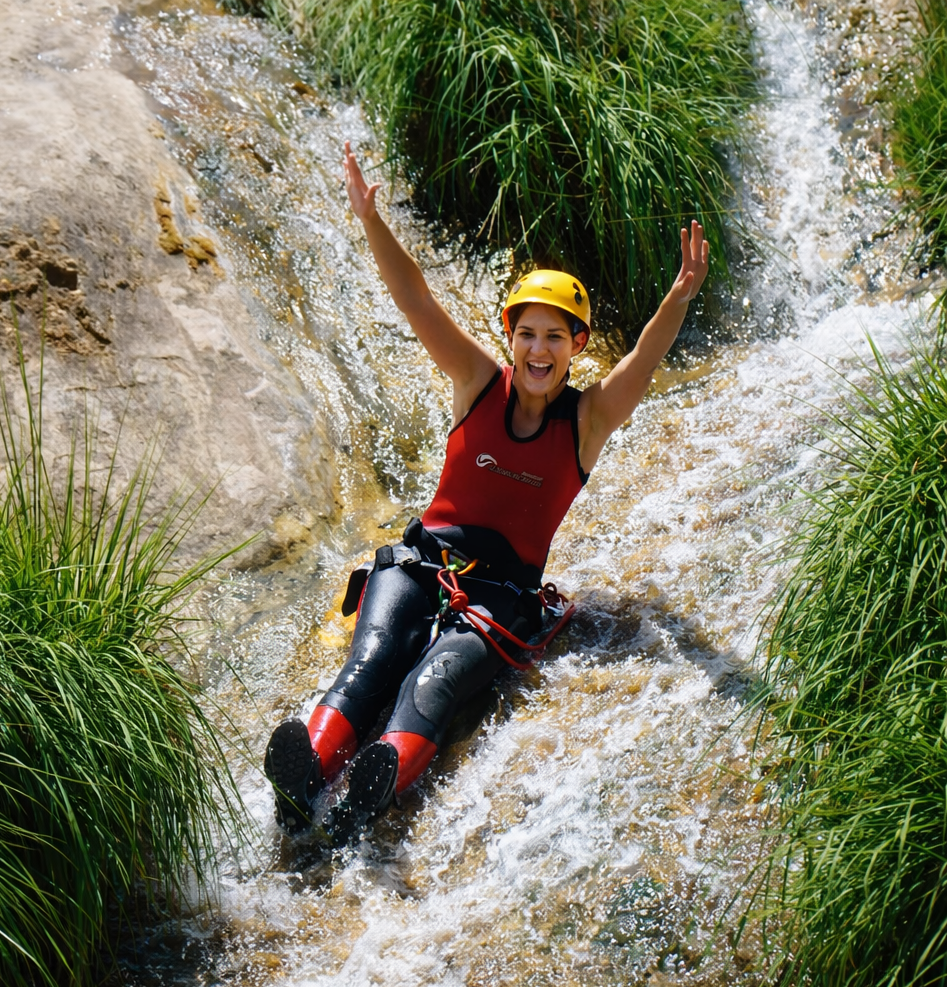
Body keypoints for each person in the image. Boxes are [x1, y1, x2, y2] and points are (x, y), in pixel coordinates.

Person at [265, 141, 709, 844]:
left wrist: (680, 294)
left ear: (576, 345)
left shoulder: (586, 423)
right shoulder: (476, 384)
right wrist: (370, 219)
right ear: (510, 340)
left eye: (555, 337)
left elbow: (642, 364)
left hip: (501, 599)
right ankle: (306, 775)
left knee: (432, 686)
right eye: (527, 334)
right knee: (374, 659)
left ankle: (368, 795)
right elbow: (416, 299)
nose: (539, 350)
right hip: (421, 564)